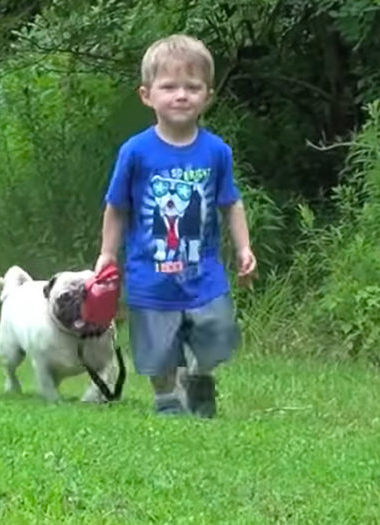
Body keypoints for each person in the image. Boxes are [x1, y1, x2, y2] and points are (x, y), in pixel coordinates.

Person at [94, 33, 257, 418]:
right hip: (150, 274)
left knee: (217, 334)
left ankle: (200, 379)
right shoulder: (135, 151)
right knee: (157, 346)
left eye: (192, 87)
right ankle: (166, 400)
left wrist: (244, 248)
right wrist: (106, 254)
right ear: (147, 95)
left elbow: (231, 203)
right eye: (169, 87)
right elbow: (116, 207)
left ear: (208, 96)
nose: (181, 95)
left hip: (204, 273)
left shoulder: (217, 151)